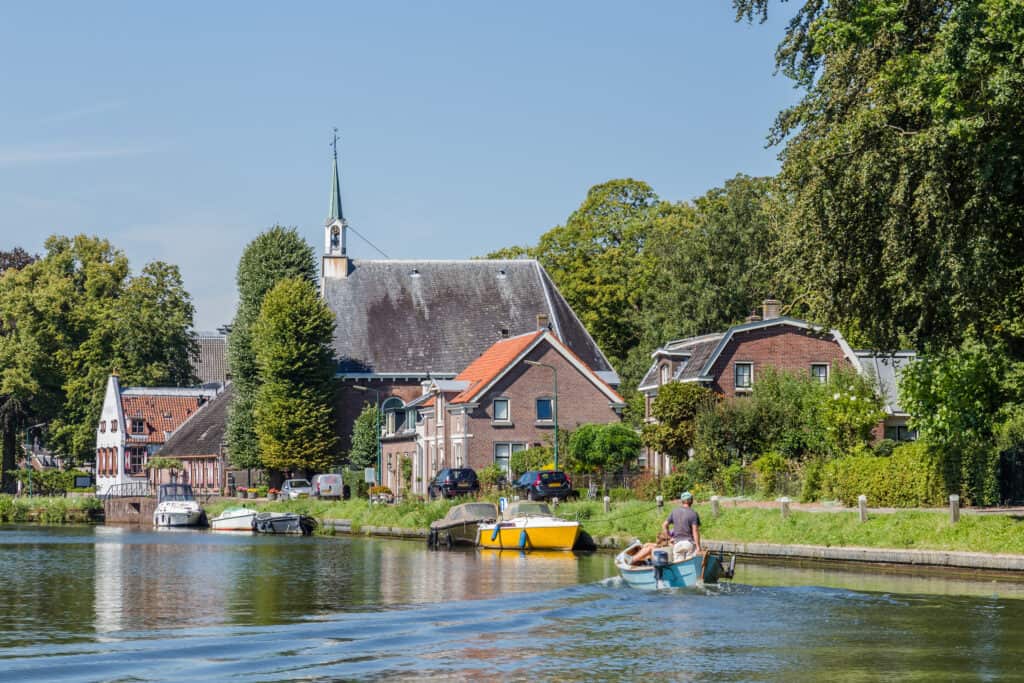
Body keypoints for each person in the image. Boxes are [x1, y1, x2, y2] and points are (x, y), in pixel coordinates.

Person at [662, 491, 702, 555]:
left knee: (679, 564)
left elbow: (664, 525)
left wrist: (669, 538)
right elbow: (695, 531)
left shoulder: (674, 511)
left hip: (677, 544)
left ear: (682, 501)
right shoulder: (693, 514)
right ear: (691, 501)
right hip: (689, 543)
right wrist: (698, 547)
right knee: (690, 564)